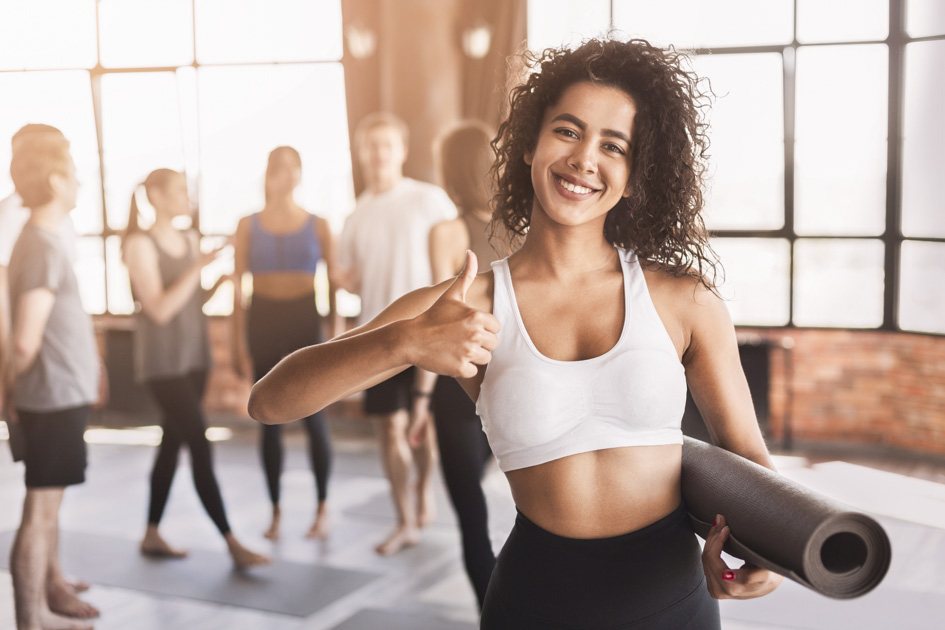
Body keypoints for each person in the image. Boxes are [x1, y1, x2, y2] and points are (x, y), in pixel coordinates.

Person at [248, 37, 782, 628]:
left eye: (613, 145)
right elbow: (270, 401)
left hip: (673, 602)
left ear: (633, 177)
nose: (584, 159)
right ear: (530, 143)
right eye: (568, 131)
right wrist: (401, 341)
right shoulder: (464, 303)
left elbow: (749, 458)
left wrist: (769, 547)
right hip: (535, 602)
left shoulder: (683, 300)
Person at [123, 168, 269, 569]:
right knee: (199, 445)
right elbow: (160, 309)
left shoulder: (187, 239)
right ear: (154, 195)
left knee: (171, 446)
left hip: (194, 358)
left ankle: (152, 532)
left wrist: (216, 281)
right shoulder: (139, 244)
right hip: (163, 365)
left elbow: (190, 302)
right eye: (178, 190)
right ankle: (232, 541)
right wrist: (198, 266)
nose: (186, 196)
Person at [337, 113, 457, 555]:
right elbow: (350, 280)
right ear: (362, 152)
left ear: (402, 151)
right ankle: (404, 519)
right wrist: (343, 280)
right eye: (372, 146)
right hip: (379, 341)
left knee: (421, 430)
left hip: (428, 334)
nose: (379, 153)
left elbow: (454, 264)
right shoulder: (355, 215)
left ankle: (424, 488)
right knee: (389, 430)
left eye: (387, 145)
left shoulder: (431, 200)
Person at [4, 129, 100, 630]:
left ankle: (37, 614)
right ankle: (30, 622)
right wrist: (13, 394)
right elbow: (24, 341)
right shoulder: (40, 245)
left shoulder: (44, 239)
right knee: (39, 514)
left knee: (43, 510)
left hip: (58, 393)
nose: (82, 182)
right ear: (57, 180)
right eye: (75, 173)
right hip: (50, 397)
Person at [407, 120, 503, 609]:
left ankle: (496, 616)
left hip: (459, 387)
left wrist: (420, 401)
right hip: (513, 381)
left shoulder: (446, 232)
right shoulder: (529, 228)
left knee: (471, 516)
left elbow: (435, 325)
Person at [232, 147, 338, 540]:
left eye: (293, 170)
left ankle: (322, 508)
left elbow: (333, 290)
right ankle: (276, 512)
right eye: (279, 170)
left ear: (300, 175)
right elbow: (238, 290)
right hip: (262, 317)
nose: (286, 177)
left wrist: (337, 338)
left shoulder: (320, 224)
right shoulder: (247, 224)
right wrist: (238, 343)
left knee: (315, 416)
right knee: (268, 418)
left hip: (304, 317)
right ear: (268, 174)